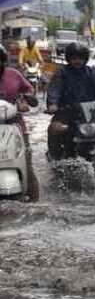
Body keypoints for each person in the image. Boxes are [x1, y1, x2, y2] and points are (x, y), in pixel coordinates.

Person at [46, 42, 95, 166]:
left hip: (91, 113)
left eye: (80, 58)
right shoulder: (61, 73)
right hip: (66, 113)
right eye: (74, 58)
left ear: (85, 59)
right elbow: (55, 89)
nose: (77, 61)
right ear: (69, 58)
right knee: (54, 129)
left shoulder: (91, 73)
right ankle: (56, 159)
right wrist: (53, 103)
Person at [0, 44, 39, 201]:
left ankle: (36, 206)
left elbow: (29, 90)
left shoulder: (14, 75)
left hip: (14, 126)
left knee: (27, 165)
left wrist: (24, 100)